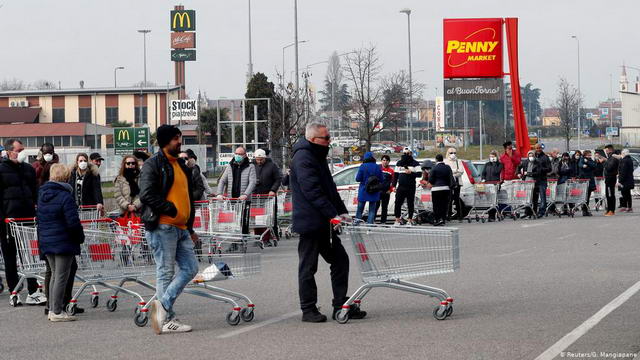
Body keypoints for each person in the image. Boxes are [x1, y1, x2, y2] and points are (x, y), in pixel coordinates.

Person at [289, 122, 365, 323]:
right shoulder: (303, 157)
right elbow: (312, 191)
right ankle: (308, 309)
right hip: (310, 222)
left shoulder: (317, 155)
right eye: (326, 138)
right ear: (314, 139)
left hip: (324, 222)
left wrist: (341, 212)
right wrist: (332, 214)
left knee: (340, 260)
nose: (330, 141)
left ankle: (341, 304)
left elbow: (329, 188)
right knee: (308, 267)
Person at [140, 124, 199, 334]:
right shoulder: (153, 164)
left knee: (191, 268)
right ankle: (166, 320)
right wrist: (171, 208)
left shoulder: (181, 165)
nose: (180, 141)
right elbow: (146, 194)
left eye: (180, 137)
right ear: (166, 141)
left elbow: (189, 197)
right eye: (176, 138)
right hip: (163, 226)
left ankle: (162, 307)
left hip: (182, 228)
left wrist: (190, 228)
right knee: (165, 272)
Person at [0, 139, 47, 306]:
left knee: (29, 256)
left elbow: (35, 193)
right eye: (19, 149)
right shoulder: (1, 169)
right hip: (8, 222)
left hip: (27, 219)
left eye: (23, 149)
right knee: (10, 257)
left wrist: (36, 209)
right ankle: (14, 291)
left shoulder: (28, 169)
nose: (22, 152)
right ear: (9, 151)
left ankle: (33, 291)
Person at [36, 164, 84, 322]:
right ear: (65, 178)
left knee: (55, 275)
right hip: (63, 240)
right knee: (61, 276)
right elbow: (73, 222)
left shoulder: (42, 194)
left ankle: (52, 308)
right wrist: (79, 237)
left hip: (47, 239)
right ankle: (57, 311)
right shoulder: (65, 196)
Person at [252, 148, 282, 240]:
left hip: (268, 196)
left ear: (265, 158)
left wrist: (273, 190)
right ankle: (258, 236)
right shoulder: (252, 166)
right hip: (255, 195)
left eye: (261, 159)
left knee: (268, 217)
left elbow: (278, 179)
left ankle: (270, 236)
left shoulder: (272, 166)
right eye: (257, 159)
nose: (259, 161)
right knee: (256, 217)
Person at [393, 148, 420, 226]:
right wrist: (394, 186)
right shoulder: (399, 163)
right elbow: (395, 176)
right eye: (404, 153)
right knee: (397, 203)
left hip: (411, 186)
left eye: (407, 153)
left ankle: (410, 220)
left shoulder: (415, 163)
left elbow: (419, 174)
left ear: (411, 153)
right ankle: (397, 220)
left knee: (410, 203)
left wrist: (411, 172)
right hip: (401, 186)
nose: (405, 155)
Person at [354, 152, 384, 224]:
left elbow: (358, 179)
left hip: (363, 190)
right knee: (372, 210)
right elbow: (382, 179)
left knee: (360, 209)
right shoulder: (377, 166)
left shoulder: (363, 166)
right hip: (374, 191)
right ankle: (369, 226)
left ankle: (357, 224)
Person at [429, 154, 454, 226]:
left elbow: (431, 180)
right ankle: (443, 219)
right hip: (446, 188)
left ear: (436, 160)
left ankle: (437, 219)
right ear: (442, 159)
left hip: (436, 189)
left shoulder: (434, 168)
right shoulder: (447, 167)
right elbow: (450, 177)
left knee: (436, 205)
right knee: (444, 204)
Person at [481, 150, 503, 221]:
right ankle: (489, 215)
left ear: (496, 157)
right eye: (490, 156)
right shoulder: (487, 164)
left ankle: (492, 216)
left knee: (493, 201)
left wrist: (494, 163)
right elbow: (483, 173)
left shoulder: (499, 164)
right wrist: (483, 179)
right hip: (487, 184)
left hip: (495, 184)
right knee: (489, 201)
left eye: (493, 156)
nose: (492, 158)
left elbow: (496, 171)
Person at [444, 147, 465, 221]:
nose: (453, 154)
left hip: (457, 182)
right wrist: (455, 170)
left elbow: (461, 171)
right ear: (448, 153)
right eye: (451, 153)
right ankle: (448, 215)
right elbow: (446, 171)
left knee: (457, 198)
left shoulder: (458, 161)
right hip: (448, 182)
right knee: (448, 199)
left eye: (454, 153)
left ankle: (460, 215)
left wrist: (453, 173)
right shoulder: (445, 161)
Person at [532, 143, 551, 217]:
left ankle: (541, 212)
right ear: (535, 149)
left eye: (539, 148)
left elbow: (549, 169)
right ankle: (534, 211)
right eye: (537, 148)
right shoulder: (533, 157)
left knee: (543, 197)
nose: (538, 149)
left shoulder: (545, 157)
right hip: (534, 180)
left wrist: (541, 169)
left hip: (542, 180)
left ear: (542, 148)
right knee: (534, 198)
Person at [375, 154, 394, 224]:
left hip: (386, 192)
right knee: (375, 206)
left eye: (387, 160)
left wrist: (390, 190)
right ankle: (372, 220)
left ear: (389, 162)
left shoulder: (391, 170)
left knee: (384, 208)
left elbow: (393, 182)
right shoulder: (377, 168)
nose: (385, 162)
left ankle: (383, 221)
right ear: (381, 161)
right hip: (377, 191)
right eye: (384, 160)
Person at [577, 150, 596, 216]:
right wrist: (584, 166)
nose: (589, 156)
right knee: (584, 196)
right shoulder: (582, 159)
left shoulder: (589, 160)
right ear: (585, 155)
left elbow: (594, 165)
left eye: (590, 155)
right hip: (584, 180)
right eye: (588, 155)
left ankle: (586, 209)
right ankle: (584, 209)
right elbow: (580, 165)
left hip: (590, 180)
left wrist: (587, 162)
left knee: (588, 195)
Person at [603, 144, 619, 216]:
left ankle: (611, 210)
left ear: (610, 150)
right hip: (608, 178)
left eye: (606, 150)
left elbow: (610, 167)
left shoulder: (613, 157)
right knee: (608, 194)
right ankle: (609, 209)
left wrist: (605, 163)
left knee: (610, 194)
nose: (606, 152)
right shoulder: (610, 157)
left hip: (611, 178)